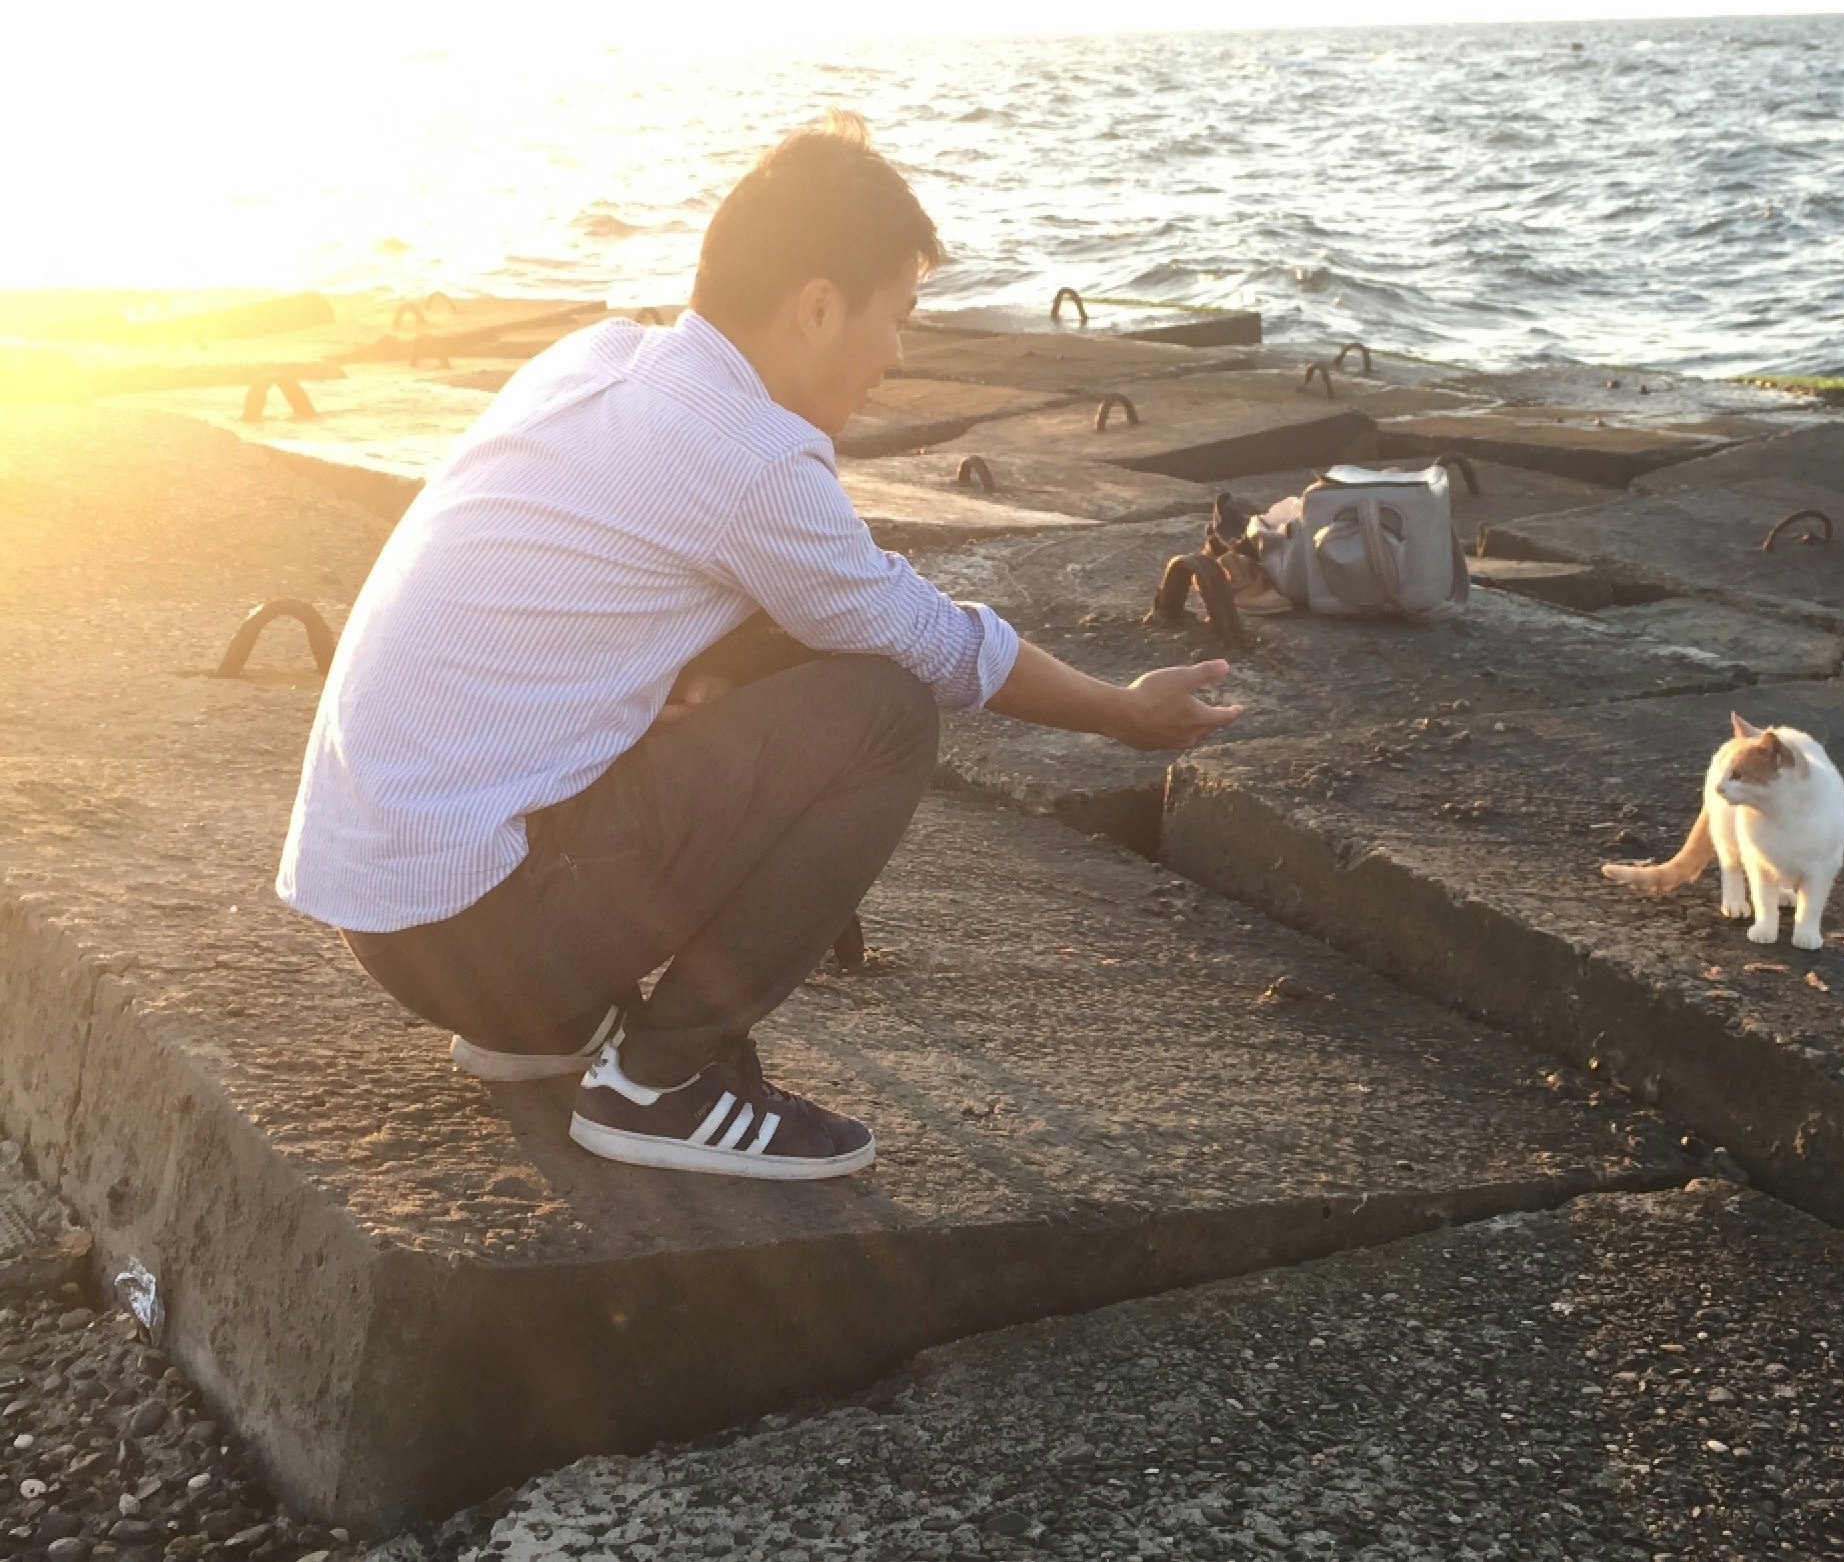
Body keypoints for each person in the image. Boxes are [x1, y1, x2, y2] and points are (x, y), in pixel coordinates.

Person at [276, 113, 1242, 1180]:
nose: (898, 357)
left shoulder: (593, 357)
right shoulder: (749, 456)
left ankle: (549, 1024)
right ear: (817, 306)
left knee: (785, 638)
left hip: (392, 911)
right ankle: (664, 1082)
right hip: (479, 924)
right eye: (896, 319)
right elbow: (934, 645)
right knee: (882, 712)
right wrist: (1122, 710)